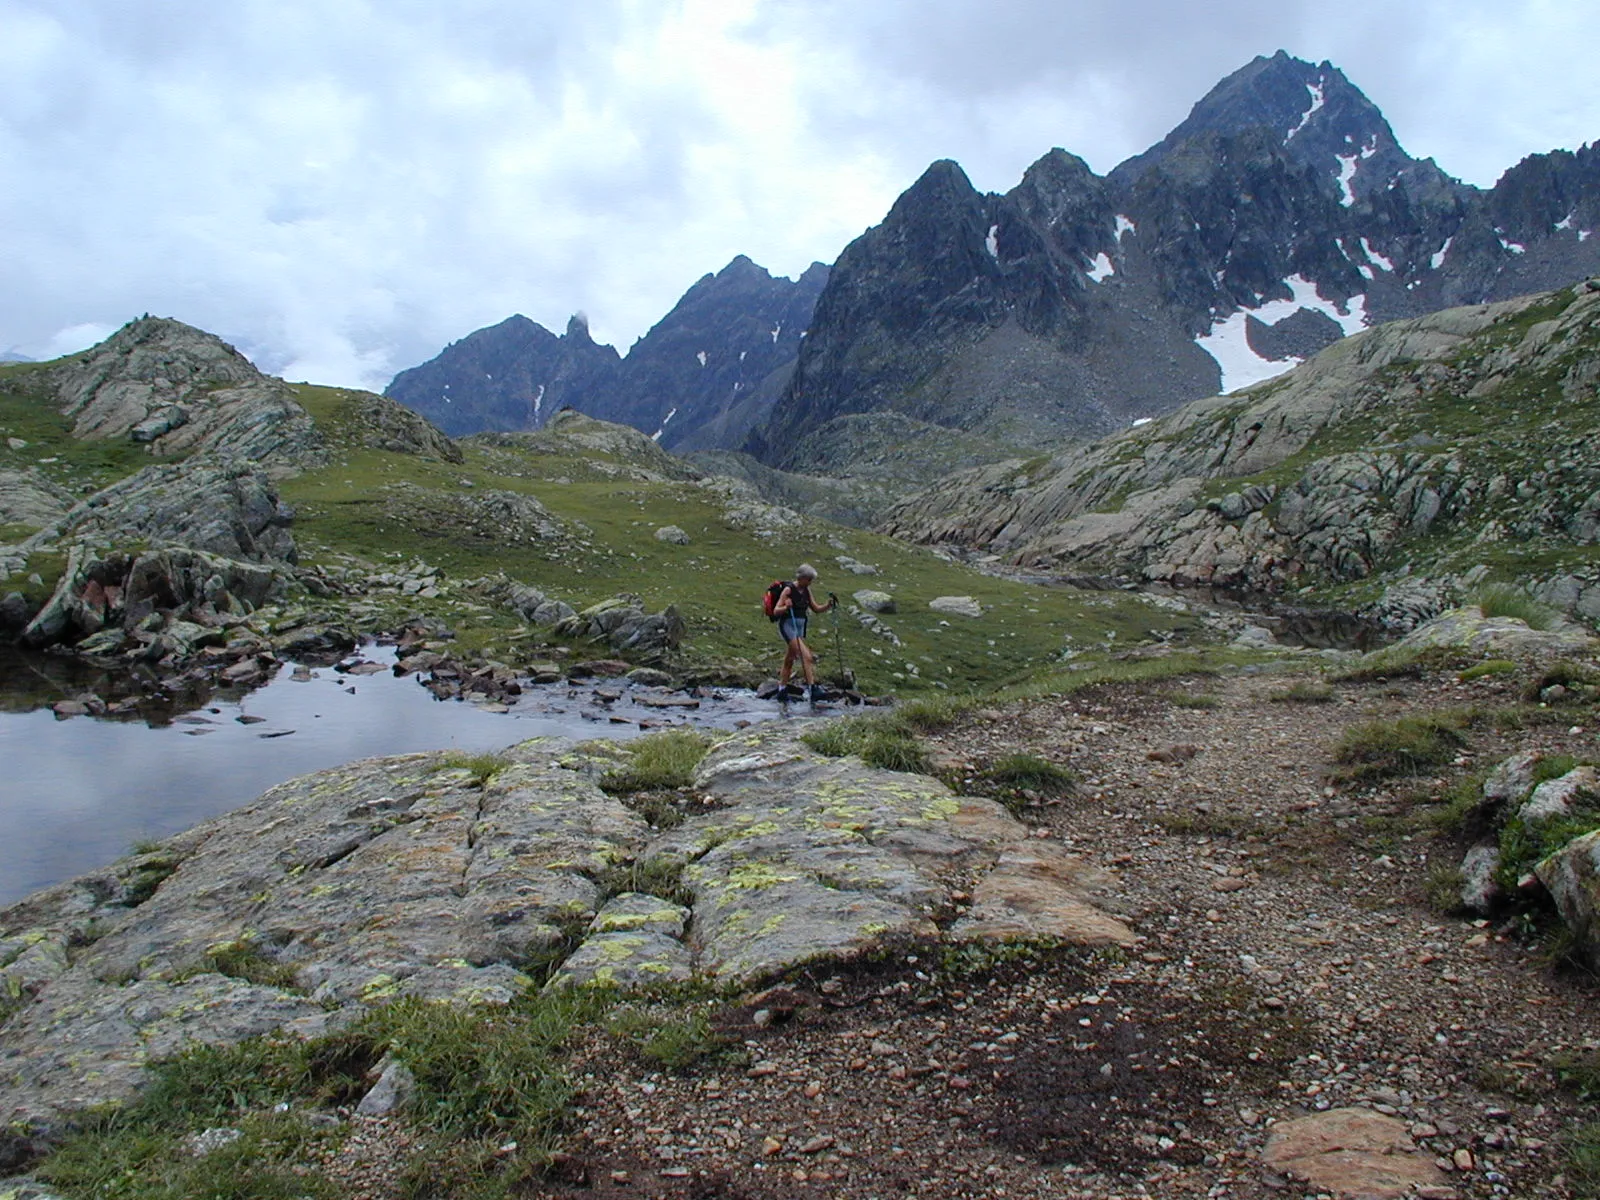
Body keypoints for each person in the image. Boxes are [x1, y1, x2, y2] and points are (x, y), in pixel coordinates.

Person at [774, 564, 836, 705]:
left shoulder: (807, 590)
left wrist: (828, 605)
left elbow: (816, 608)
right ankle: (813, 689)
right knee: (806, 656)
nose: (810, 582)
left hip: (800, 627)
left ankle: (782, 690)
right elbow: (776, 610)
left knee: (789, 659)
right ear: (801, 578)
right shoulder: (788, 590)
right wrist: (786, 607)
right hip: (788, 626)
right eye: (809, 579)